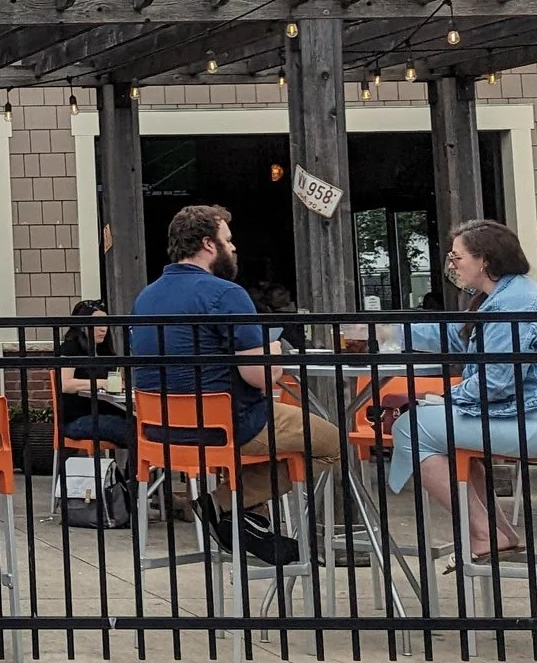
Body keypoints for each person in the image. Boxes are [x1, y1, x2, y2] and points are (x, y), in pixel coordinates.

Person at [129, 204, 338, 567]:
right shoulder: (226, 294)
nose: (234, 246)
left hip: (160, 432)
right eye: (228, 239)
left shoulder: (145, 297)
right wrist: (274, 351)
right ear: (209, 245)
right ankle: (222, 505)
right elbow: (260, 376)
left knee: (265, 442)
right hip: (226, 427)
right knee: (332, 443)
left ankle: (246, 523)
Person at [386, 220, 537, 564]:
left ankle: (484, 533)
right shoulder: (511, 296)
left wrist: (445, 399)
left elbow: (496, 382)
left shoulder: (511, 307)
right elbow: (460, 340)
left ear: (485, 260)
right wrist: (392, 332)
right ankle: (499, 532)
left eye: (457, 257)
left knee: (409, 427)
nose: (452, 266)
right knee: (443, 432)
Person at [55, 299, 133, 465]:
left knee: (146, 428)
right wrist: (102, 383)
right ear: (82, 325)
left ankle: (136, 481)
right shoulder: (71, 348)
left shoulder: (105, 352)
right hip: (78, 418)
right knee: (133, 431)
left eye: (105, 323)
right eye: (97, 323)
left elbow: (117, 381)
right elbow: (65, 384)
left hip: (108, 412)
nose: (103, 329)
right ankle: (135, 483)